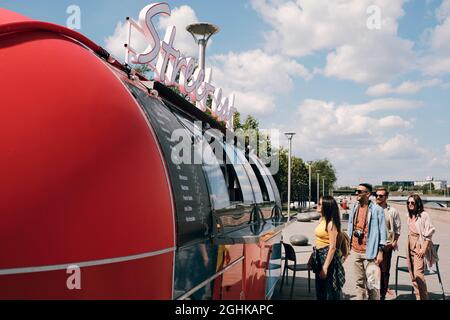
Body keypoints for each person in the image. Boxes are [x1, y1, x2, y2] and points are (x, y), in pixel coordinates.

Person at [347, 183, 387, 300]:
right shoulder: (354, 207)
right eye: (356, 191)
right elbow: (350, 225)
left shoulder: (377, 210)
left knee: (372, 285)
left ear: (368, 194)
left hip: (370, 252)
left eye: (359, 191)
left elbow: (383, 232)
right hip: (355, 250)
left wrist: (380, 251)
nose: (356, 193)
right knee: (358, 283)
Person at [312, 196, 345, 300]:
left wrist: (325, 267)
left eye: (320, 204)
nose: (317, 205)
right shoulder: (322, 220)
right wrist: (311, 257)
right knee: (320, 289)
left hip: (327, 258)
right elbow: (318, 241)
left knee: (330, 290)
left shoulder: (331, 224)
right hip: (319, 255)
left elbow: (332, 247)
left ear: (326, 207)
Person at [406, 194, 437, 300]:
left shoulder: (424, 215)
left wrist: (423, 249)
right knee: (413, 275)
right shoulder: (410, 215)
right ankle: (418, 297)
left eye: (412, 203)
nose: (410, 204)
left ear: (417, 203)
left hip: (419, 244)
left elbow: (429, 232)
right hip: (409, 244)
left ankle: (424, 298)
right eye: (408, 203)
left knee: (418, 275)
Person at [375, 187, 401, 300]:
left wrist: (394, 242)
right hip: (373, 244)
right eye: (376, 195)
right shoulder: (372, 209)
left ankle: (382, 294)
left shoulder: (392, 211)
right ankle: (373, 292)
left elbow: (398, 228)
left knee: (384, 270)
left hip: (386, 244)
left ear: (386, 197)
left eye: (381, 196)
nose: (378, 197)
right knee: (372, 269)